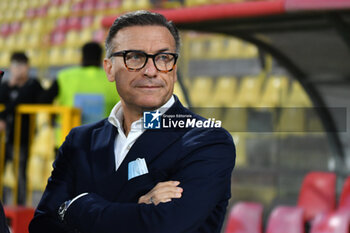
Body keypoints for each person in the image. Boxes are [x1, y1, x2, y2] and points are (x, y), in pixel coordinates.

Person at [29, 10, 235, 233]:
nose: (151, 71)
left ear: (174, 69)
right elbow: (42, 226)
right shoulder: (80, 141)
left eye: (163, 58)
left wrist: (76, 206)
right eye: (135, 57)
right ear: (109, 68)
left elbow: (165, 226)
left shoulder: (207, 140)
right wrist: (136, 208)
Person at [0, 52, 44, 205]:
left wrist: (3, 116)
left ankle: (19, 207)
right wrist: (11, 84)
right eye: (15, 65)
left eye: (21, 65)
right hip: (3, 139)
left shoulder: (33, 84)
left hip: (22, 137)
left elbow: (27, 99)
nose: (18, 69)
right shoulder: (5, 86)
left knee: (20, 174)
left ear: (27, 67)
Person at [41, 42, 119, 124]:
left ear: (81, 58)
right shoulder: (113, 78)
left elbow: (44, 100)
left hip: (68, 134)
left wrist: (53, 115)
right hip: (102, 134)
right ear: (102, 60)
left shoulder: (64, 77)